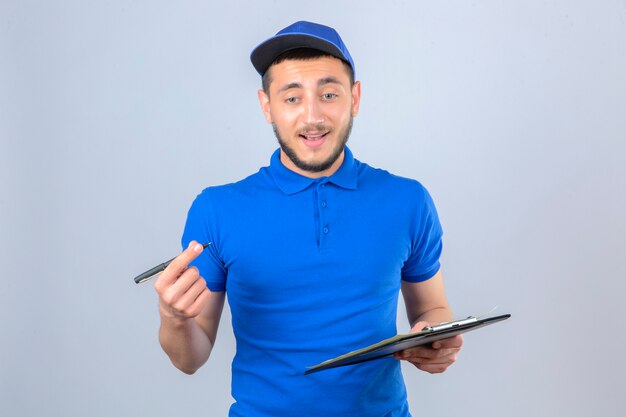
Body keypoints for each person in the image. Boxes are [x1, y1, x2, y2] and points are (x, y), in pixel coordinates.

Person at [153, 21, 463, 417]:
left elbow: (432, 310)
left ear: (355, 98)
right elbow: (189, 358)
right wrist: (173, 318)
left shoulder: (407, 200)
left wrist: (434, 338)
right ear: (267, 106)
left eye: (329, 94)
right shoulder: (217, 209)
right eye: (292, 98)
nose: (312, 117)